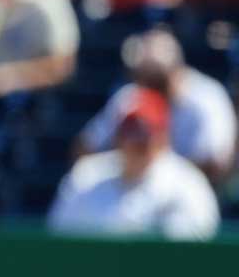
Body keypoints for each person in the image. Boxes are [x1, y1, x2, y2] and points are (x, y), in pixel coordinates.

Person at [50, 88, 219, 240]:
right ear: (117, 135)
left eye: (145, 132)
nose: (135, 140)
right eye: (129, 130)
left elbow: (194, 255)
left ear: (163, 137)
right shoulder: (86, 177)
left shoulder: (187, 184)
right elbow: (60, 242)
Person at [77, 29, 236, 183]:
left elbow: (216, 164)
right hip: (130, 191)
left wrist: (160, 178)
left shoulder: (207, 98)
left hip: (193, 194)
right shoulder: (132, 95)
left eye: (155, 77)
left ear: (176, 71)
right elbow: (85, 147)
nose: (149, 84)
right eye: (144, 76)